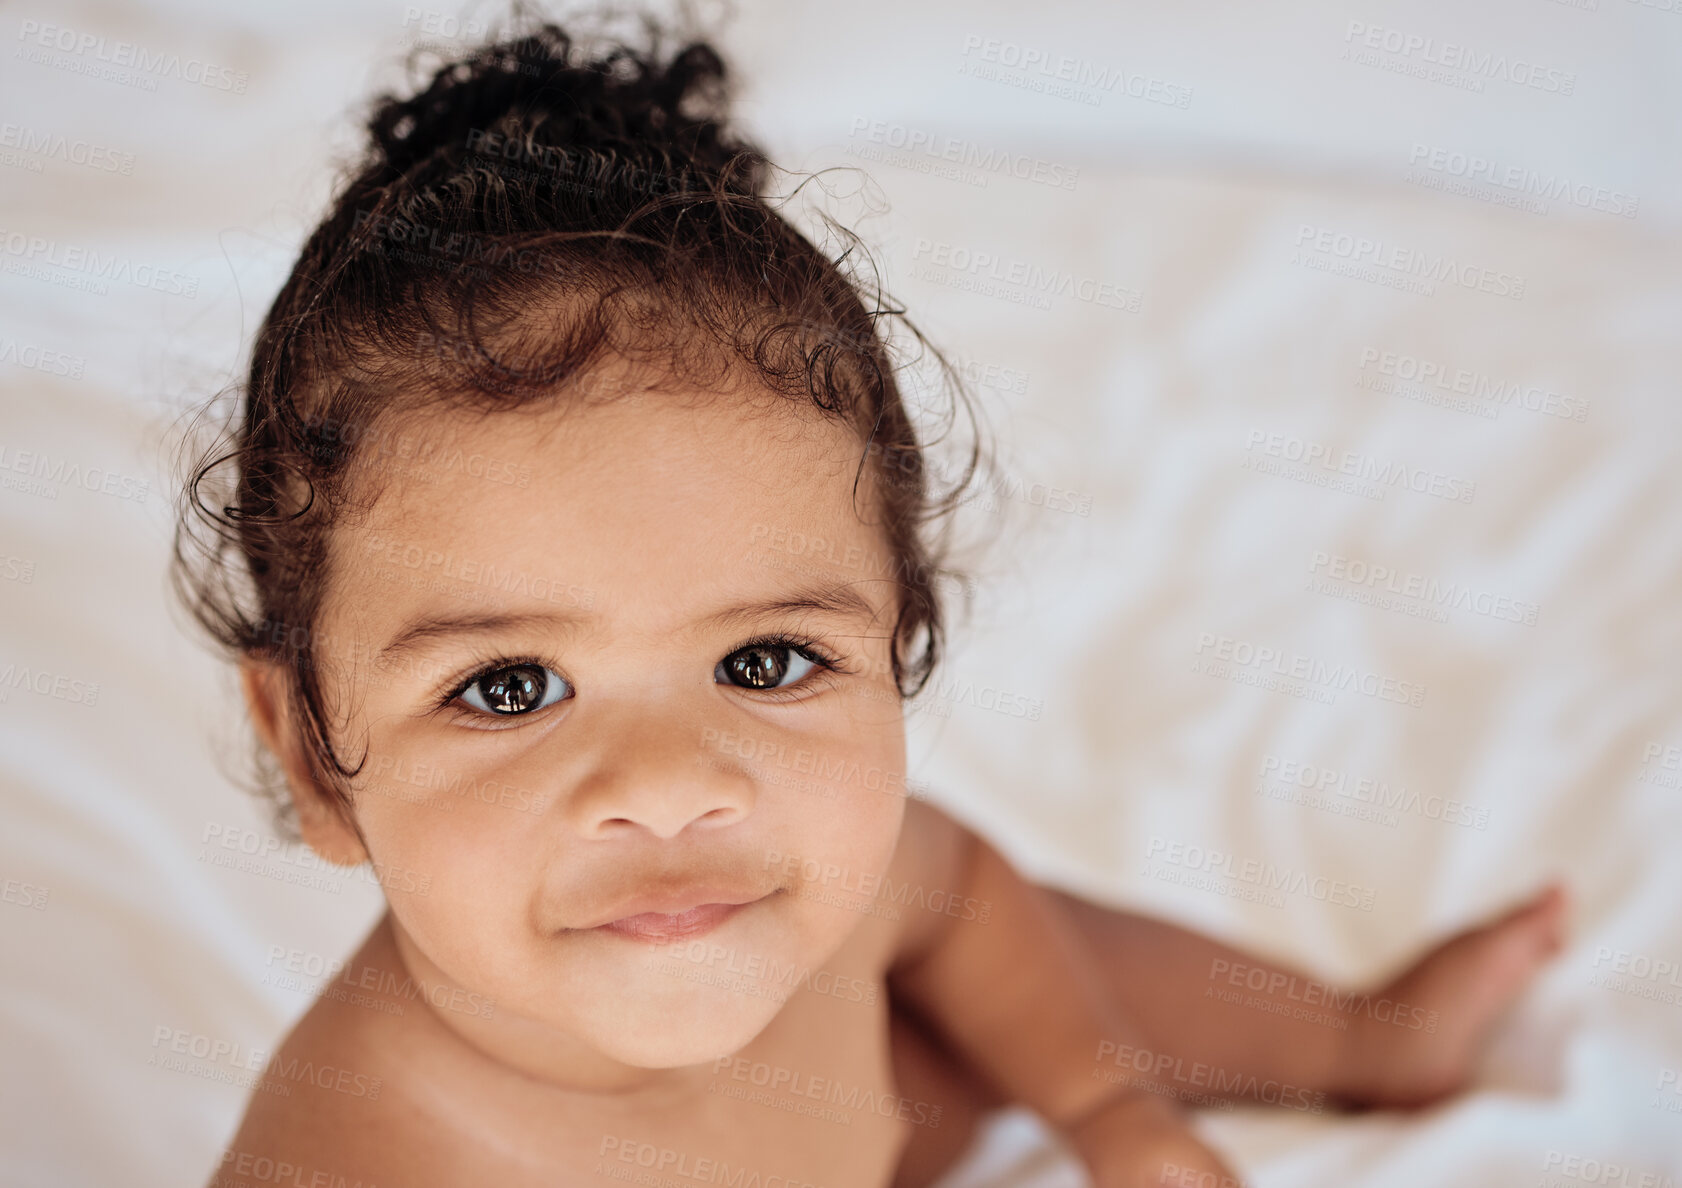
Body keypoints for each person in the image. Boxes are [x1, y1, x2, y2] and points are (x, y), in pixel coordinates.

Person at [175, 16, 1566, 1187]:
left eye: (767, 659)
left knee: (1009, 959)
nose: (670, 788)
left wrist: (1101, 1109)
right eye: (508, 686)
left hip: (866, 1120)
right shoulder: (354, 1155)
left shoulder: (794, 886)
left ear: (895, 628)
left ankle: (1351, 1040)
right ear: (312, 751)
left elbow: (953, 883)